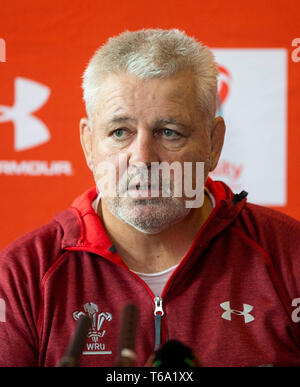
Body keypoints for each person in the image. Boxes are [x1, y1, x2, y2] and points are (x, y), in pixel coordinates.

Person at [0, 28, 300, 367]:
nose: (142, 158)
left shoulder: (290, 256)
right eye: (119, 132)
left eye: (169, 132)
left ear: (214, 144)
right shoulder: (21, 276)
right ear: (88, 145)